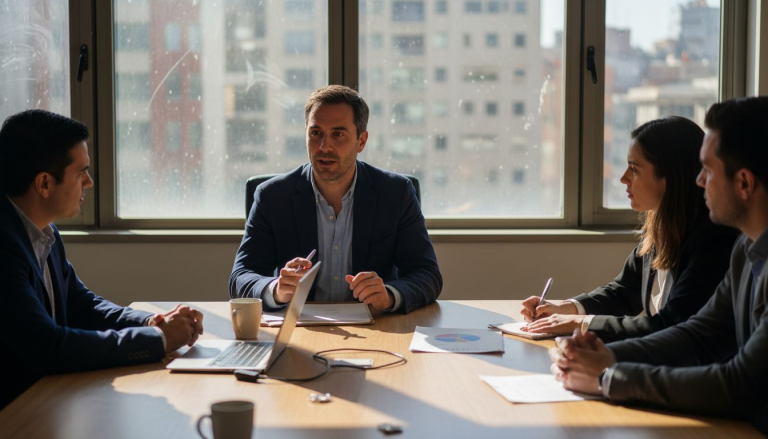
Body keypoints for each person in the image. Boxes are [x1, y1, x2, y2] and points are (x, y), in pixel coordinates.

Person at [549, 97, 768, 434]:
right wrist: (604, 355)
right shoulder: (745, 248)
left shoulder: (723, 242)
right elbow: (697, 334)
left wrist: (608, 375)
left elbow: (740, 385)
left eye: (707, 171)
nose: (698, 181)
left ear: (743, 183)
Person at [0, 110, 205, 409]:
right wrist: (157, 340)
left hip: (47, 399)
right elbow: (47, 346)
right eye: (81, 172)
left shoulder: (43, 229)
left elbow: (82, 305)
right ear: (44, 184)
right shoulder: (4, 246)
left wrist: (152, 321)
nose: (90, 182)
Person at [520, 117, 738, 342]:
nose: (624, 178)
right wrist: (566, 308)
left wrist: (582, 324)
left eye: (634, 169)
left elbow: (673, 324)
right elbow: (624, 291)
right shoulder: (663, 226)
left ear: (669, 177)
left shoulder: (713, 240)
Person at [230, 85, 442, 313]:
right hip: (300, 330)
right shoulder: (272, 197)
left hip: (375, 330)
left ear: (361, 141)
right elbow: (241, 276)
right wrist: (276, 289)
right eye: (315, 133)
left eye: (338, 134)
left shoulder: (396, 193)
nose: (324, 146)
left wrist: (389, 296)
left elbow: (427, 274)